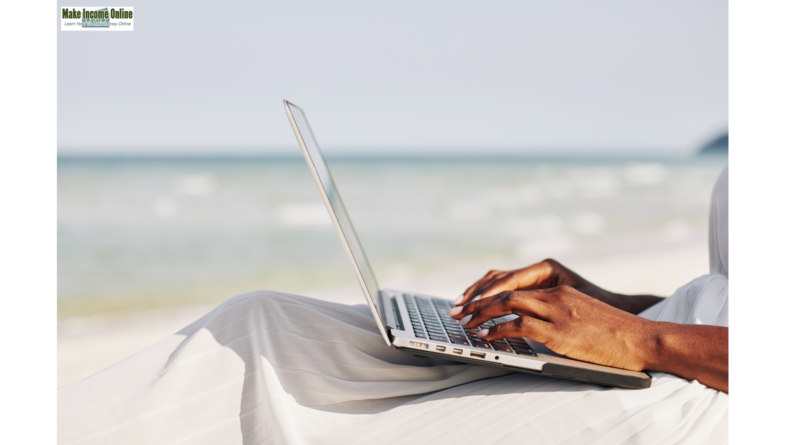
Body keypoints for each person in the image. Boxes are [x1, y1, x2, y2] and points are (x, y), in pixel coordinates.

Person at [58, 167, 729, 445]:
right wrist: (597, 304)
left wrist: (643, 342)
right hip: (657, 342)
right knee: (264, 325)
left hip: (703, 386)